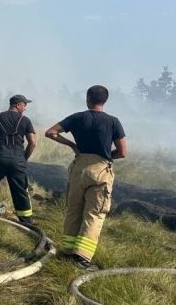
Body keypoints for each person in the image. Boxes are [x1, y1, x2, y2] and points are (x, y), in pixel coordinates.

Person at [45, 85, 127, 271]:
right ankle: (82, 259)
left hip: (79, 168)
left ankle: (67, 251)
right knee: (94, 213)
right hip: (100, 171)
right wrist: (105, 157)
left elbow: (50, 132)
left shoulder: (77, 117)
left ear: (88, 99)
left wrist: (73, 145)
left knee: (74, 209)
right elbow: (122, 152)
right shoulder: (113, 121)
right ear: (104, 101)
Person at [0, 94, 37, 225]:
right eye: (24, 104)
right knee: (20, 191)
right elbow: (32, 142)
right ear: (18, 105)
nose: (25, 108)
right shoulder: (25, 120)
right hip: (18, 160)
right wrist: (24, 158)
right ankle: (27, 223)